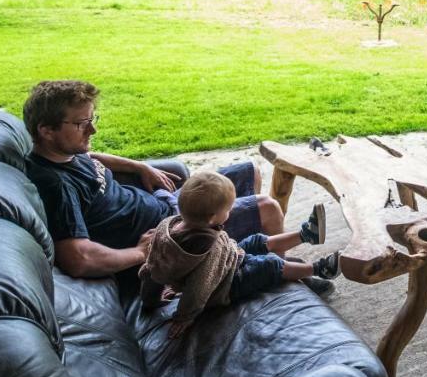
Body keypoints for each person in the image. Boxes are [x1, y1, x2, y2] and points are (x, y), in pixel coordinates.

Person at [21, 79, 325, 281]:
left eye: (92, 120)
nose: (92, 131)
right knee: (268, 207)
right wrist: (141, 253)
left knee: (250, 172)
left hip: (168, 204)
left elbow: (92, 156)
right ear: (46, 130)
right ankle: (282, 276)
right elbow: (78, 257)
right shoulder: (55, 185)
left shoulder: (65, 152)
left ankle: (232, 254)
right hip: (175, 235)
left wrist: (140, 166)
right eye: (81, 124)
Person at [140, 171, 341, 338]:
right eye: (228, 210)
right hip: (226, 285)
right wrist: (184, 316)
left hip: (231, 257)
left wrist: (151, 298)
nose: (230, 213)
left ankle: (306, 234)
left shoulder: (166, 227)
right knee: (270, 264)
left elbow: (151, 268)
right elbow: (200, 286)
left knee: (257, 240)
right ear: (212, 219)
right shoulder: (211, 247)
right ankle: (319, 269)